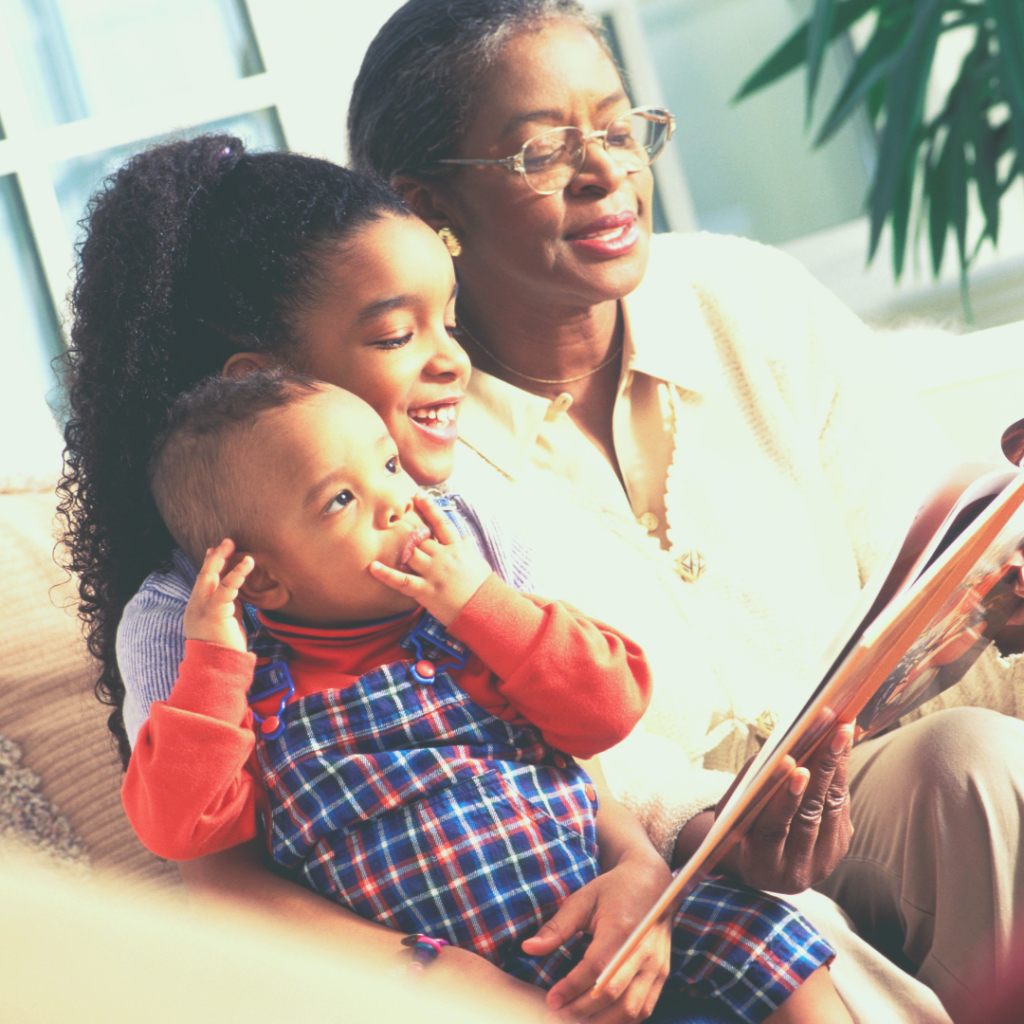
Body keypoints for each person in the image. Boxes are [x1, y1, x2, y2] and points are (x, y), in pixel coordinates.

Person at [59, 136, 856, 1024]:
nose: (453, 360)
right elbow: (212, 867)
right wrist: (434, 979)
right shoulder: (192, 617)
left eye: (450, 319)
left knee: (779, 943)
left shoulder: (463, 525)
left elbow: (573, 742)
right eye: (399, 334)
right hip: (405, 971)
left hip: (585, 894)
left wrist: (637, 873)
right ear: (266, 379)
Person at [345, 2, 1024, 1022]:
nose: (606, 171)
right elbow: (495, 736)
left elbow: (933, 549)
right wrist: (701, 822)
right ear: (427, 204)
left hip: (874, 791)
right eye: (540, 152)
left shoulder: (747, 300)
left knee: (972, 759)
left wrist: (1003, 597)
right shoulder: (402, 449)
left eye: (620, 130)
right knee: (777, 930)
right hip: (651, 867)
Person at [123, 369, 849, 1024]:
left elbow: (610, 706)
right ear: (263, 582)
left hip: (588, 903)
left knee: (772, 942)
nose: (397, 501)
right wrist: (214, 662)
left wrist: (481, 603)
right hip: (440, 980)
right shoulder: (244, 691)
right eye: (341, 500)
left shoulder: (473, 623)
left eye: (387, 464)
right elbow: (179, 829)